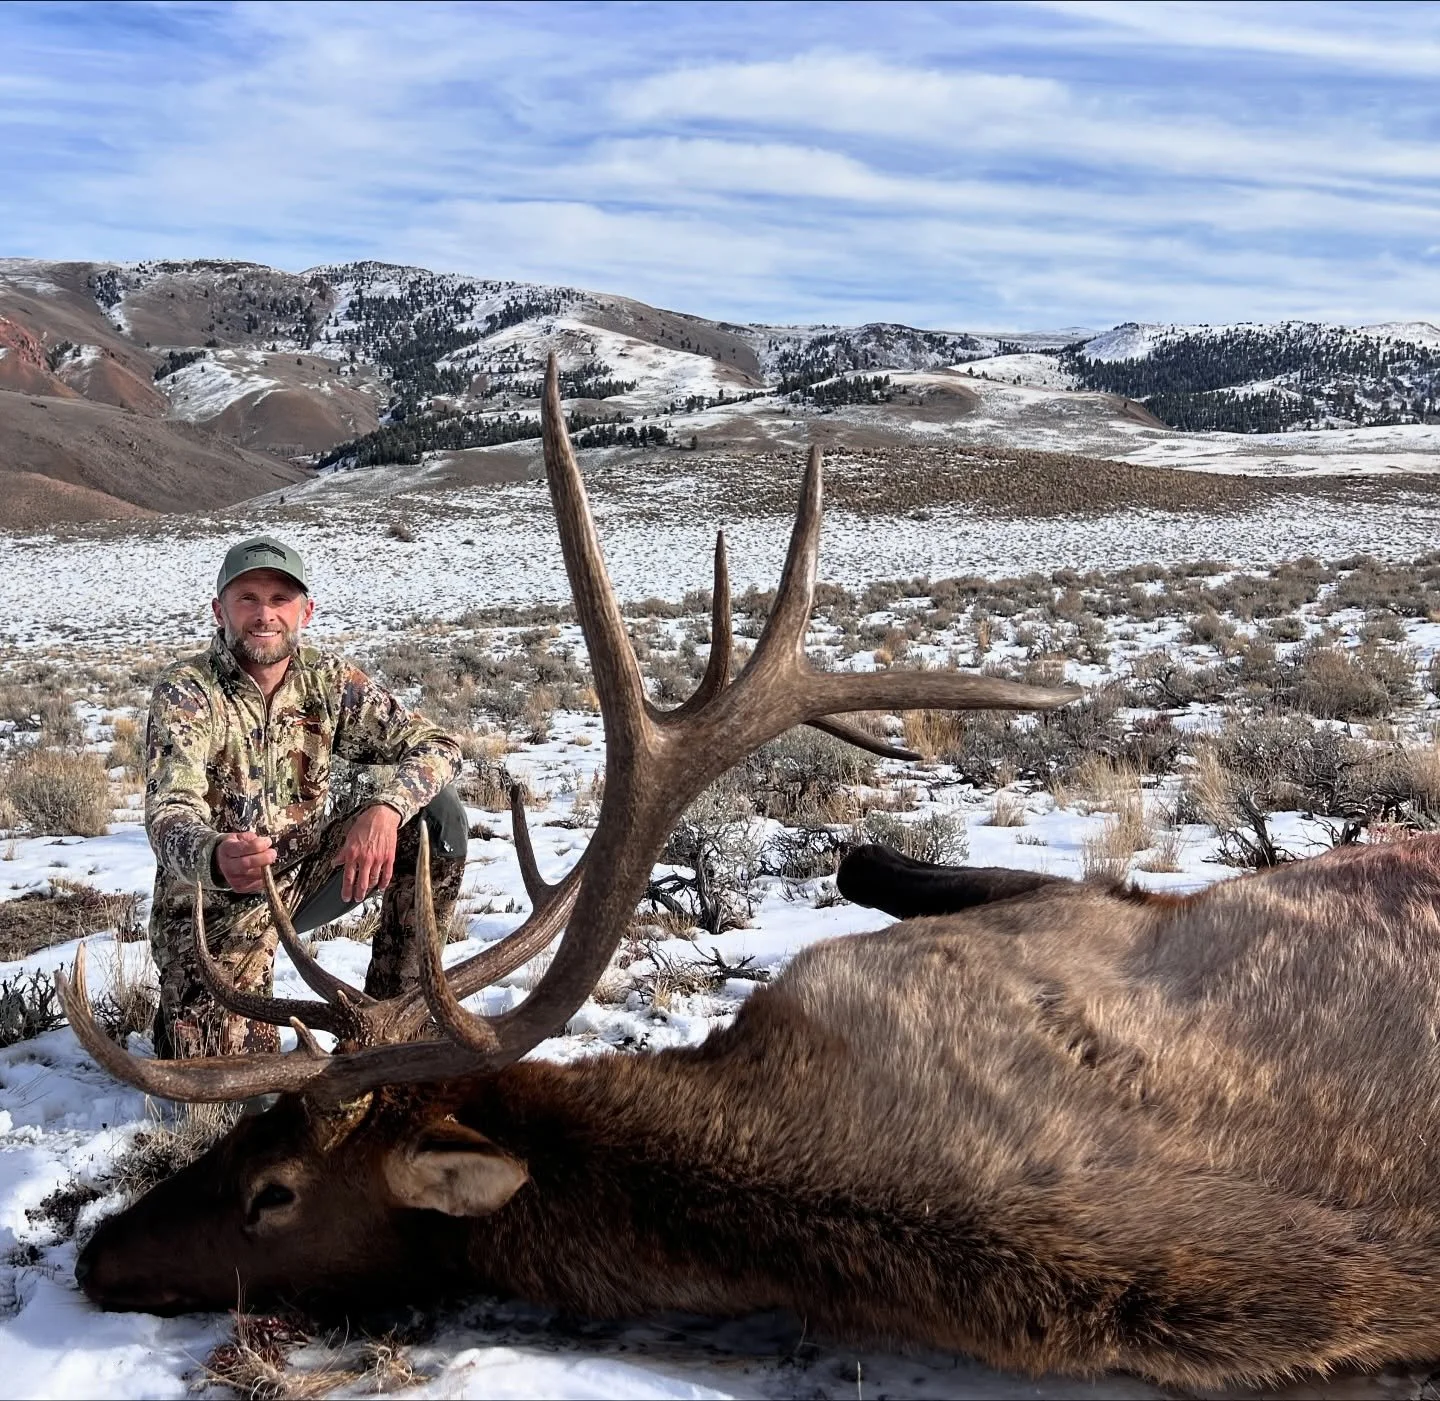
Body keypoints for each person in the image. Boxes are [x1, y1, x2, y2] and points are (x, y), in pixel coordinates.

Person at [144, 535, 466, 1058]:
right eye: (247, 598)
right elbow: (168, 811)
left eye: (280, 600)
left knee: (436, 814)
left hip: (306, 876)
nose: (264, 614)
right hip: (220, 904)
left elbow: (439, 745)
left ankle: (398, 1017)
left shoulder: (328, 680)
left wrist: (386, 810)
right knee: (241, 1100)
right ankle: (186, 1010)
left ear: (305, 611)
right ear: (218, 610)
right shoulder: (188, 690)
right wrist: (215, 857)